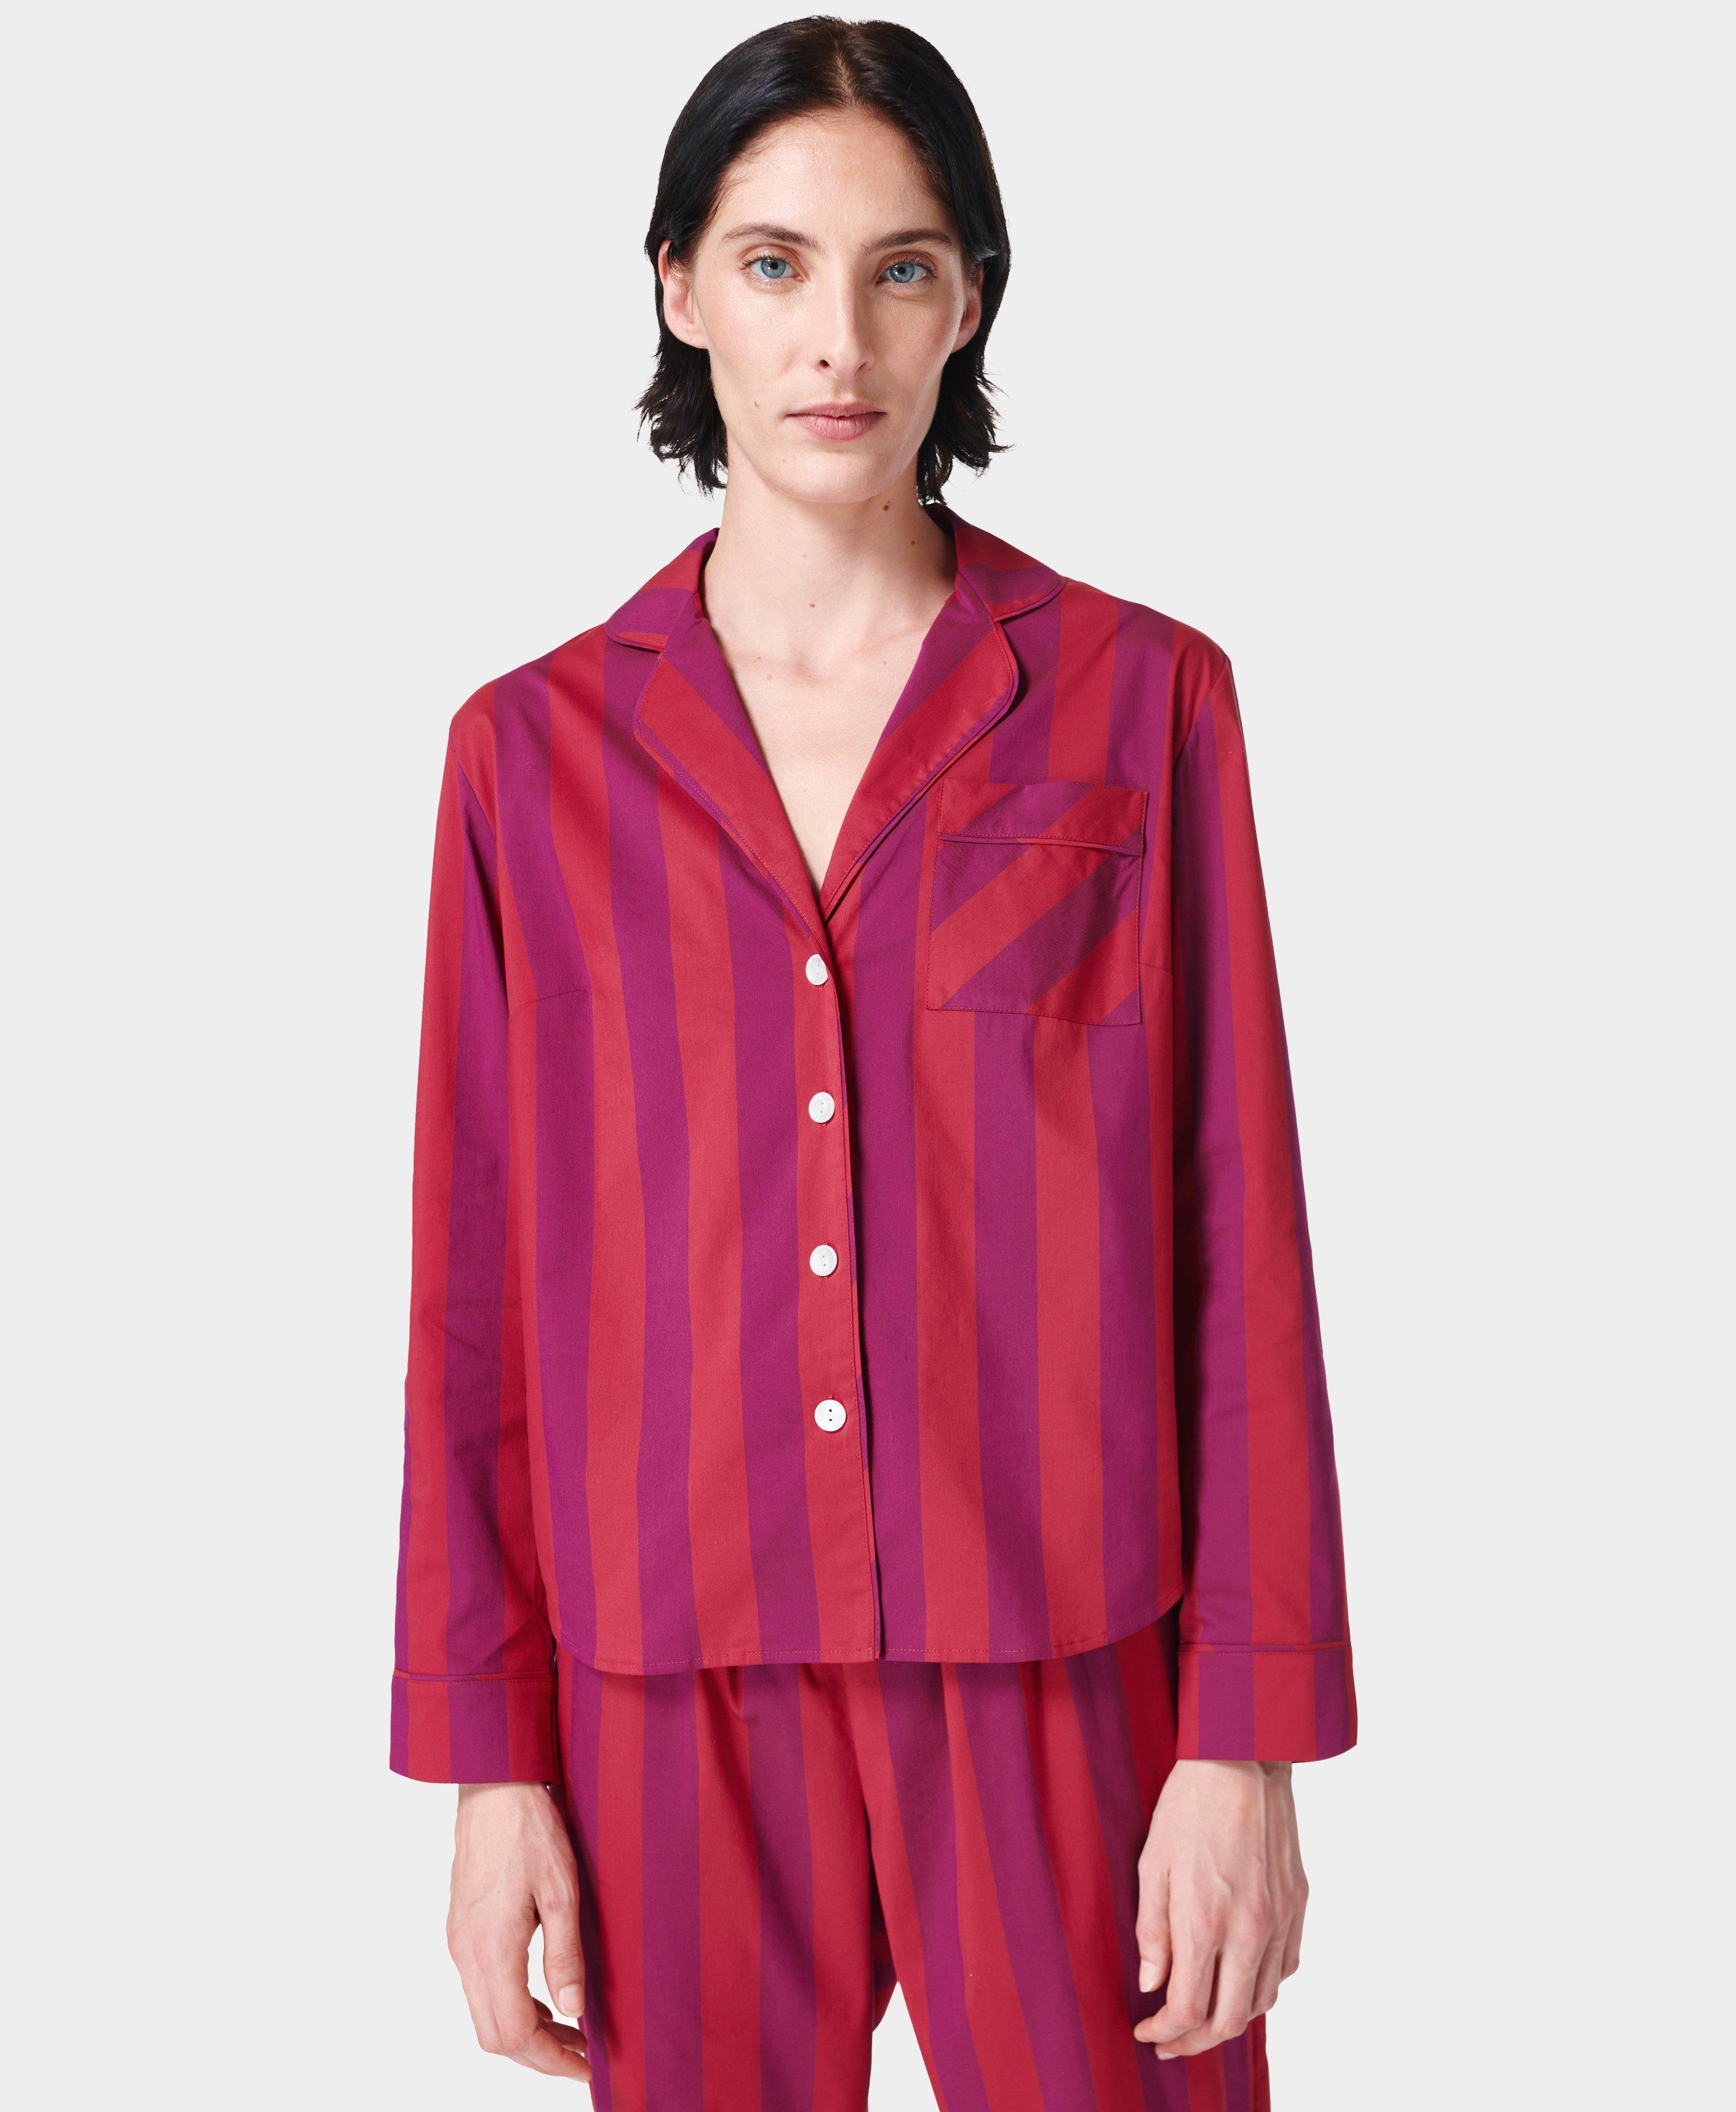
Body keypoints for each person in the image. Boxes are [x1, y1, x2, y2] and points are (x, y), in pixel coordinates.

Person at [389, 17, 1356, 2108]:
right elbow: (476, 1295)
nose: (837, 335)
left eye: (900, 266)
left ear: (968, 299)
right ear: (678, 286)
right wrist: (488, 1760)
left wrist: (1244, 1734)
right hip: (663, 1684)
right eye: (773, 263)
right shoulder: (525, 759)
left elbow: (1237, 1235)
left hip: (1070, 1655)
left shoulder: (1141, 705)